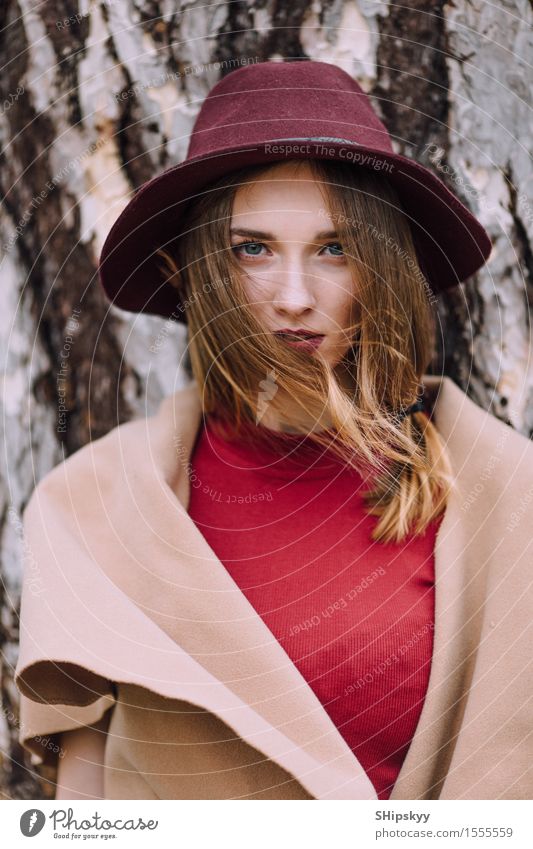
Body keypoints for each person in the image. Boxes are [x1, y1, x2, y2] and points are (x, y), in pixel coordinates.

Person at [14, 60, 533, 801]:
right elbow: (83, 807)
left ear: (384, 267)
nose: (294, 297)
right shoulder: (94, 510)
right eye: (251, 248)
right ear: (194, 269)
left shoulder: (508, 502)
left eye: (335, 247)